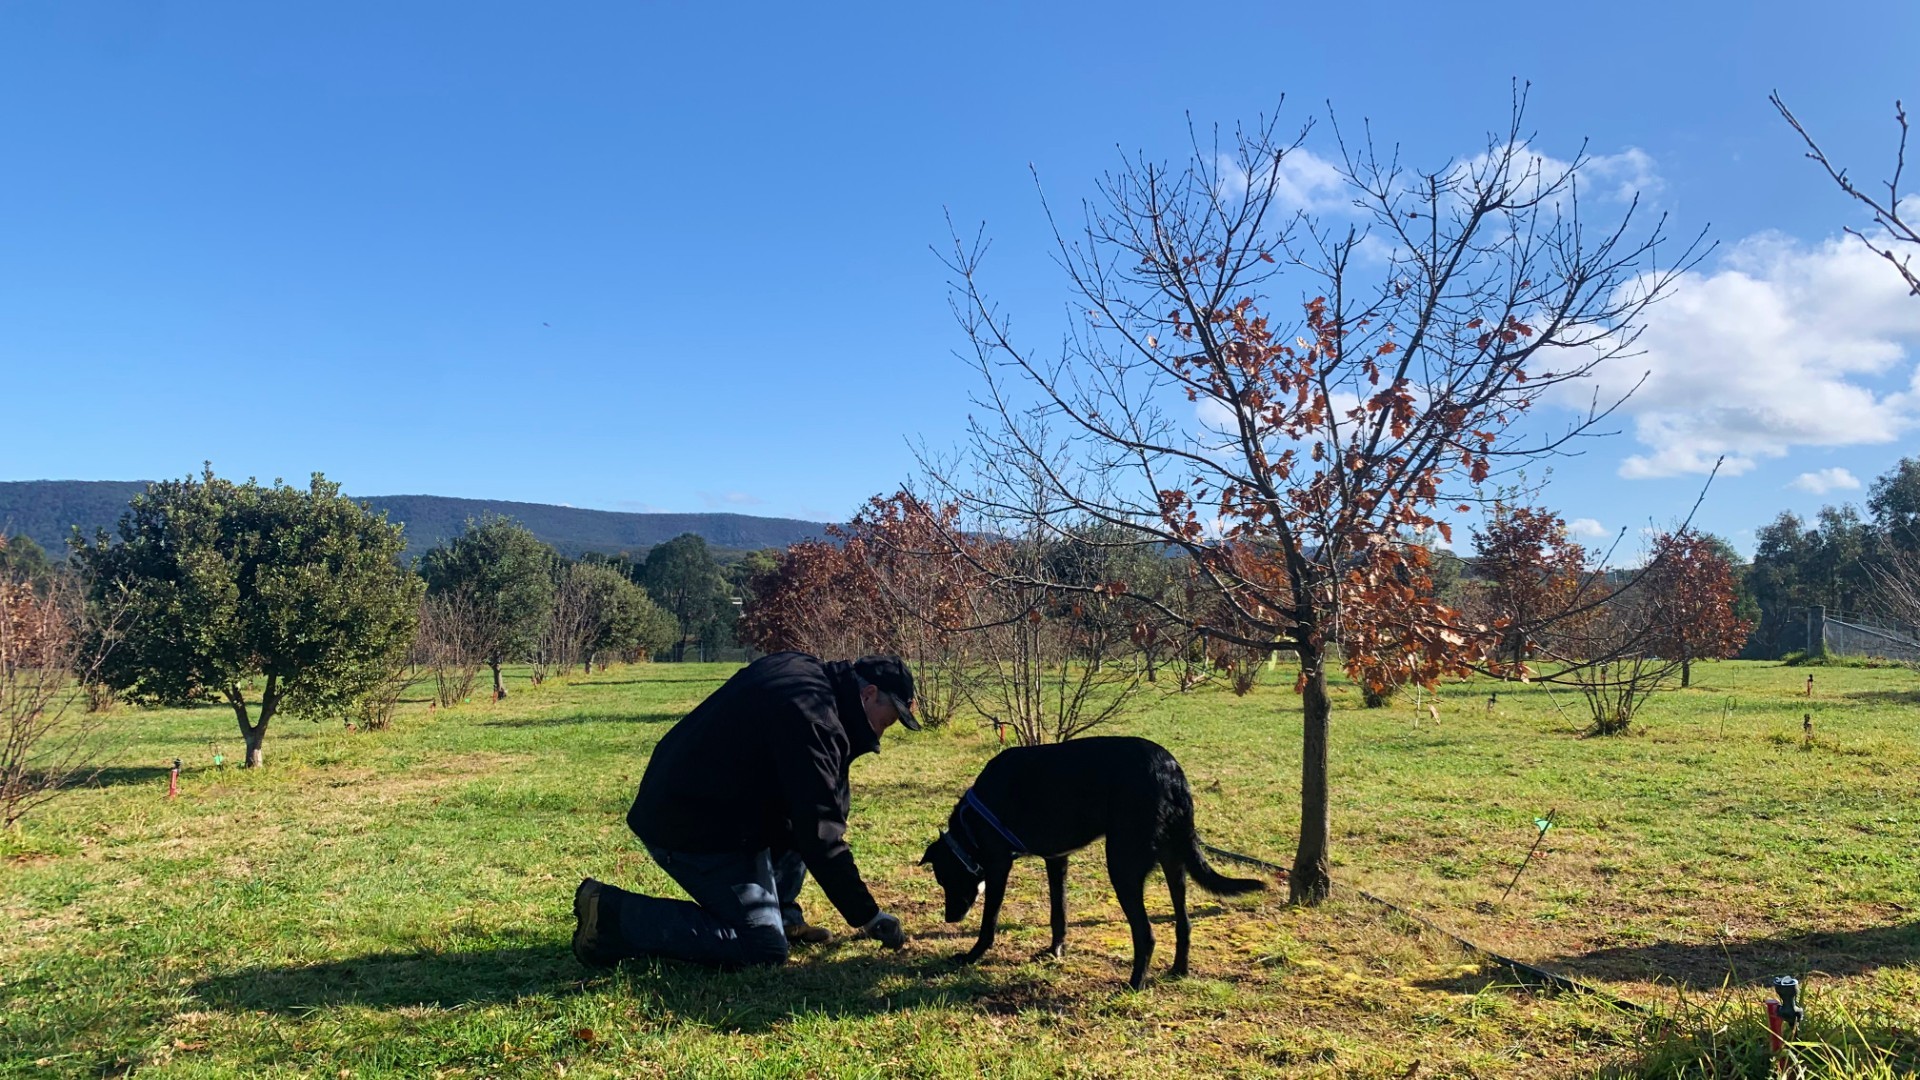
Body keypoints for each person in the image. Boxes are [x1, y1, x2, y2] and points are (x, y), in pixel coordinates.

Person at [570, 651, 919, 969]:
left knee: (796, 815)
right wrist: (868, 915)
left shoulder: (803, 673)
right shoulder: (814, 721)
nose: (879, 735)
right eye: (885, 723)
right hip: (690, 822)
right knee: (762, 948)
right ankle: (610, 913)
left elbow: (818, 803)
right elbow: (820, 833)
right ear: (868, 694)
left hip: (701, 797)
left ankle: (782, 916)